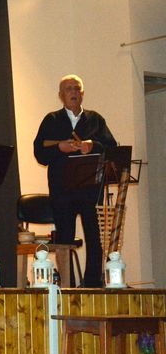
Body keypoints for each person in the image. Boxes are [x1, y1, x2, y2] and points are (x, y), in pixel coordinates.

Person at [34, 74, 116, 287]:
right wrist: (59, 148)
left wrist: (93, 146)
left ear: (82, 93)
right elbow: (39, 152)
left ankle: (92, 283)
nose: (73, 92)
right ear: (61, 95)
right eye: (68, 89)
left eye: (77, 88)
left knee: (94, 237)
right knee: (64, 238)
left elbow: (112, 149)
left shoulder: (95, 119)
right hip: (62, 189)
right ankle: (67, 285)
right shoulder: (51, 120)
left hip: (91, 188)